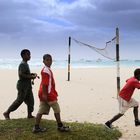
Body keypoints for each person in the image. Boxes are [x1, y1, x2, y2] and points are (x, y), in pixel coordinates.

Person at [33, 54, 70, 133]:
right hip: (48, 94)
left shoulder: (46, 69)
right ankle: (60, 126)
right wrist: (45, 95)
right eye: (47, 60)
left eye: (50, 60)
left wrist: (44, 94)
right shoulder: (45, 71)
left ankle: (36, 127)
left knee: (41, 110)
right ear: (43, 61)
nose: (49, 61)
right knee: (56, 109)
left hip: (45, 93)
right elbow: (44, 84)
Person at [3, 49, 38, 120]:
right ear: (23, 55)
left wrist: (32, 74)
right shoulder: (23, 64)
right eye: (28, 54)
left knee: (31, 101)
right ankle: (7, 112)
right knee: (19, 101)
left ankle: (29, 115)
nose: (29, 56)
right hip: (22, 86)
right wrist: (31, 76)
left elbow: (25, 74)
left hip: (27, 86)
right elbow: (21, 74)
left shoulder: (25, 63)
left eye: (29, 54)